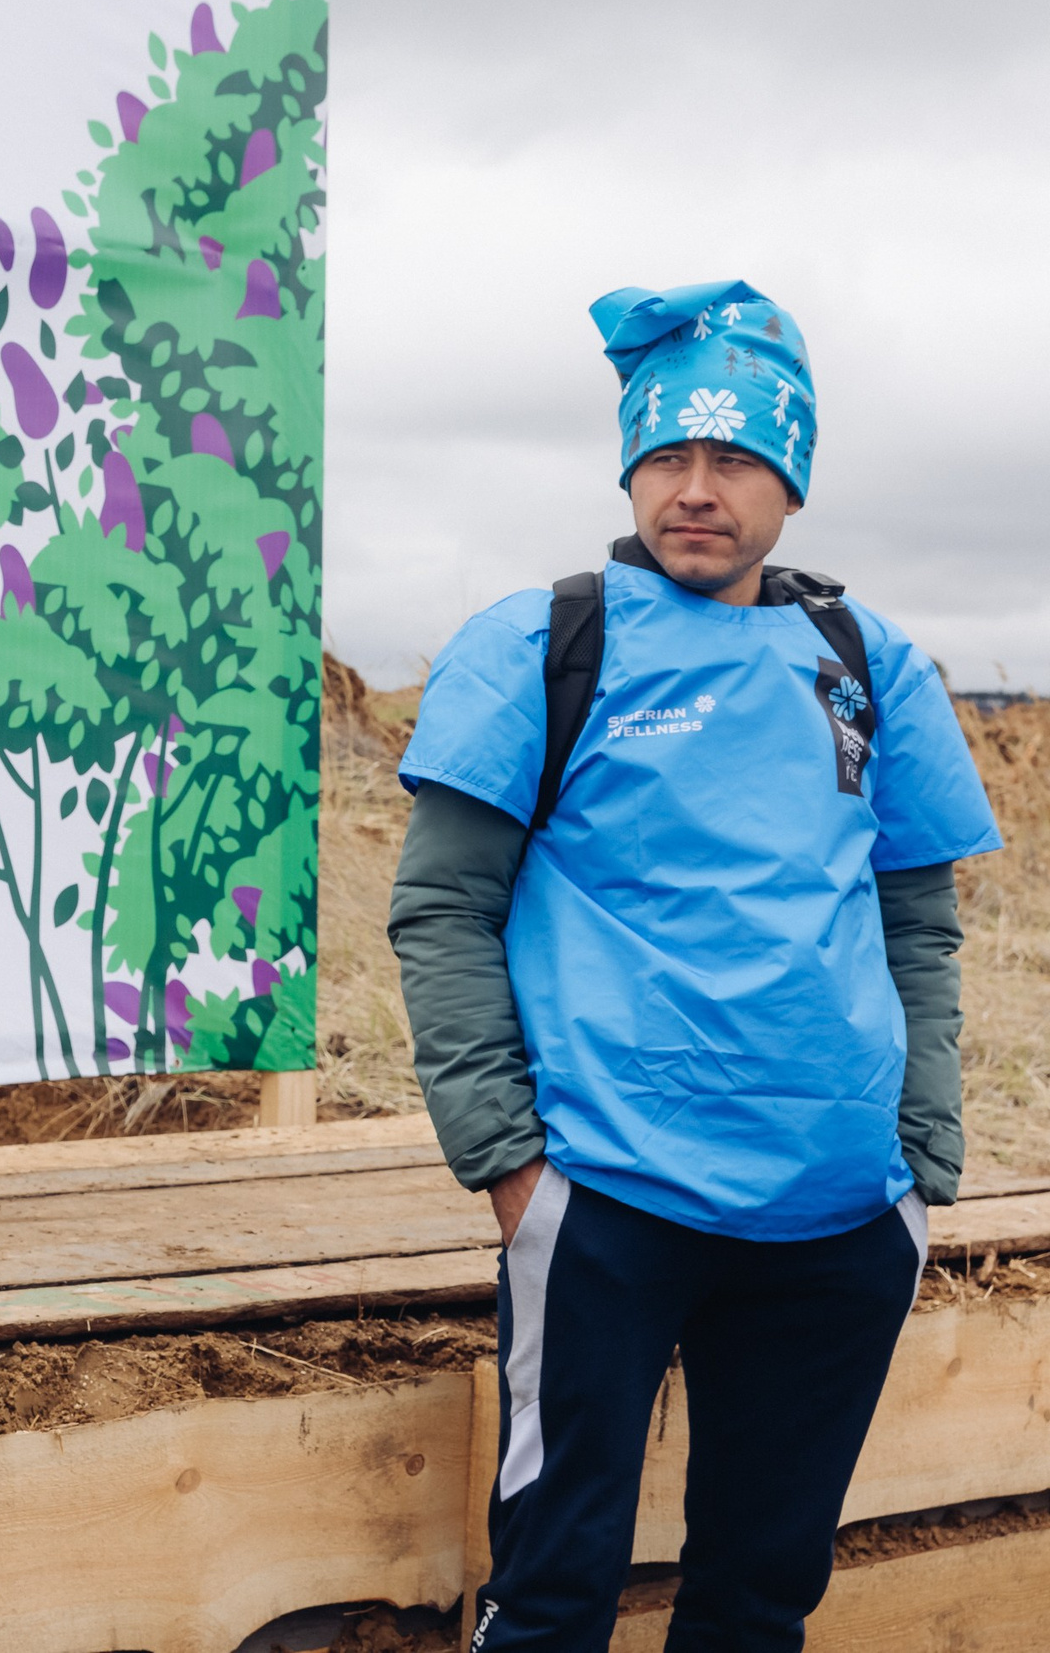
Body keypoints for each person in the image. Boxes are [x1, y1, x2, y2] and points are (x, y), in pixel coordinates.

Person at [387, 280, 1000, 1652]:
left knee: (757, 1601)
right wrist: (511, 1171)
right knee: (550, 1595)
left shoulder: (867, 661)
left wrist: (925, 1160)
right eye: (669, 454)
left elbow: (918, 922)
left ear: (792, 483)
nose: (698, 489)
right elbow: (441, 913)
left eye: (736, 459)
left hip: (840, 1215)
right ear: (631, 466)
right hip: (606, 1198)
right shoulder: (544, 643)